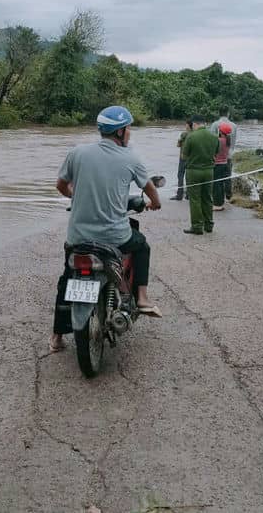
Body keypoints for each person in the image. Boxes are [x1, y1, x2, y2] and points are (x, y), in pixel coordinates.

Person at [50, 106, 162, 353]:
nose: (130, 133)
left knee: (67, 277)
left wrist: (76, 197)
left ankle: (57, 336)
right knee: (141, 245)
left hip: (78, 236)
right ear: (121, 131)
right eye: (129, 128)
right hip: (115, 237)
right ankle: (142, 298)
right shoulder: (130, 158)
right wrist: (155, 203)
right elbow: (150, 188)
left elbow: (61, 186)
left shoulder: (77, 153)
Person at [181, 115, 219, 235]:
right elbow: (216, 153)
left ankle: (197, 226)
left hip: (193, 171)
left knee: (195, 199)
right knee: (208, 197)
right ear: (205, 123)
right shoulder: (214, 137)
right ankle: (209, 225)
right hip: (209, 171)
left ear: (194, 124)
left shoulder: (191, 136)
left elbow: (184, 156)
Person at [210, 106, 238, 201]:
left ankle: (217, 197)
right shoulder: (234, 125)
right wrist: (230, 152)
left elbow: (212, 141)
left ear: (219, 113)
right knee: (227, 175)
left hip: (217, 157)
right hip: (228, 154)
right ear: (228, 113)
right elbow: (233, 142)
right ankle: (228, 195)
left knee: (217, 178)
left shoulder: (215, 124)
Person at [171, 118, 194, 201]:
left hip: (183, 158)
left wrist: (180, 141)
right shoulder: (195, 134)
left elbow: (178, 145)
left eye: (186, 124)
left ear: (188, 125)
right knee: (189, 176)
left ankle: (179, 195)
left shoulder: (184, 134)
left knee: (180, 175)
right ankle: (188, 195)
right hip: (191, 159)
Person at [211, 123, 233, 209]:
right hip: (225, 163)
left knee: (216, 185)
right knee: (221, 184)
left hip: (217, 165)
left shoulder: (219, 140)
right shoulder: (228, 141)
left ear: (220, 131)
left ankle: (217, 204)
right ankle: (221, 202)